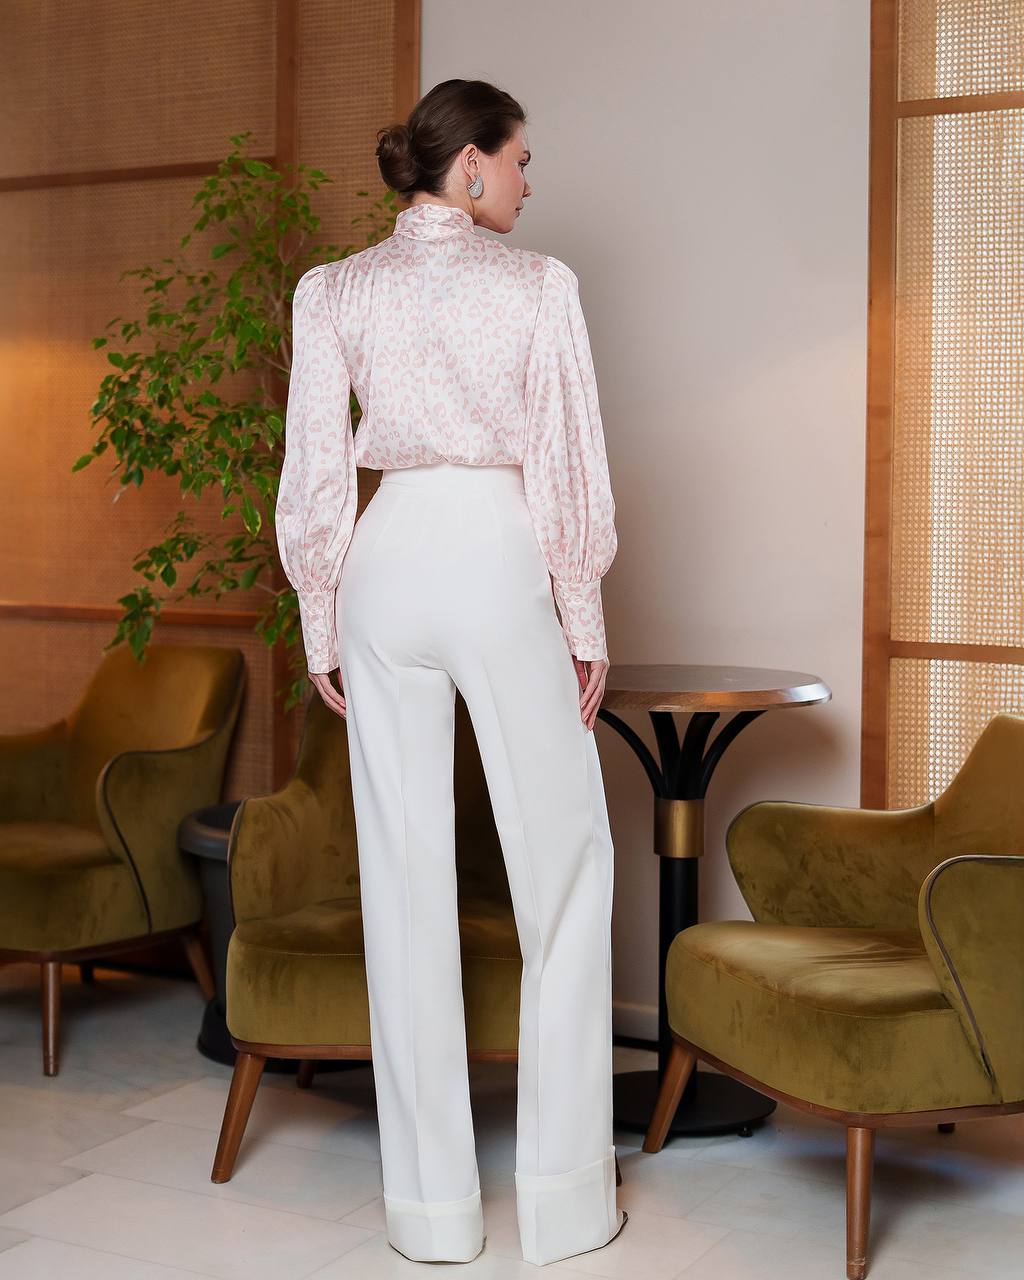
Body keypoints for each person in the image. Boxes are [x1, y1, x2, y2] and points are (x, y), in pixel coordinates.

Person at [275, 77, 624, 1267]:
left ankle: (429, 1215)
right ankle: (568, 1201)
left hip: (381, 557)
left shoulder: (333, 290)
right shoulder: (538, 284)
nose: (531, 180)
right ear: (468, 166)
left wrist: (319, 609)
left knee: (404, 874)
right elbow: (567, 459)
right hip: (493, 550)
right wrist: (582, 608)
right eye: (521, 158)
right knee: (566, 866)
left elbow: (316, 464)